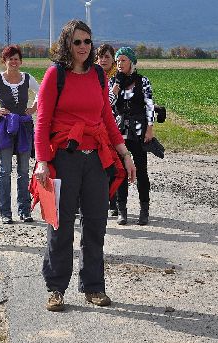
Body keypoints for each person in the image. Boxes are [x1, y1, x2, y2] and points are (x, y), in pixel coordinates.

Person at [33, 20, 136, 312]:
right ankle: (56, 288)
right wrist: (42, 161)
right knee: (60, 225)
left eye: (87, 41)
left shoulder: (99, 75)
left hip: (95, 159)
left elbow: (106, 118)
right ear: (67, 43)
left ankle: (93, 286)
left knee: (95, 224)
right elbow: (42, 121)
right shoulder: (55, 74)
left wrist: (125, 154)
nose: (83, 47)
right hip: (64, 158)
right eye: (77, 41)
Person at [0, 44, 40, 224]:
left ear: (21, 61)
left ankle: (24, 211)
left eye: (16, 59)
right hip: (5, 127)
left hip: (23, 127)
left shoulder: (27, 78)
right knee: (5, 171)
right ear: (4, 61)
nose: (13, 62)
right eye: (10, 59)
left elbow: (41, 92)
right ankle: (5, 212)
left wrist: (34, 108)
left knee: (24, 170)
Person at [109, 47, 156, 225]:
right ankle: (122, 210)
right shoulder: (113, 81)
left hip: (138, 131)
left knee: (141, 171)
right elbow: (107, 105)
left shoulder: (142, 81)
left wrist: (149, 128)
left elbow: (149, 105)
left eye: (123, 60)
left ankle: (144, 209)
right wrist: (116, 87)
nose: (120, 64)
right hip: (119, 131)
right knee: (121, 171)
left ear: (132, 62)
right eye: (118, 61)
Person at [95, 43, 119, 216]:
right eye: (100, 57)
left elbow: (108, 105)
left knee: (112, 165)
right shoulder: (92, 75)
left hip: (113, 127)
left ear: (113, 60)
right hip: (95, 127)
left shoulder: (119, 78)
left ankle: (113, 202)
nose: (103, 60)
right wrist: (112, 94)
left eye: (107, 57)